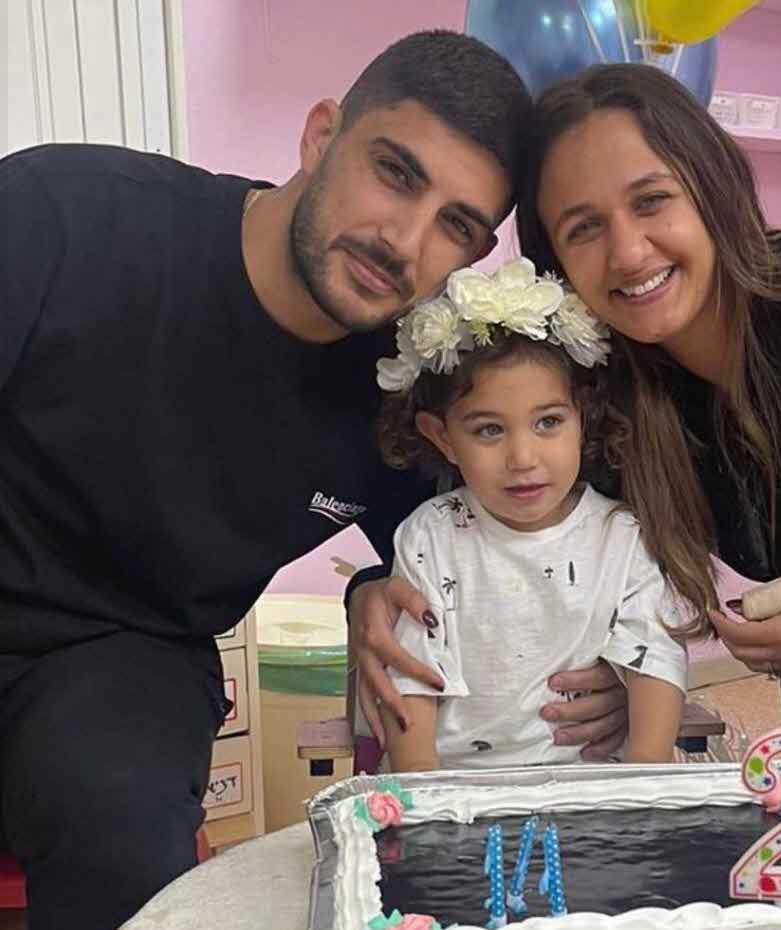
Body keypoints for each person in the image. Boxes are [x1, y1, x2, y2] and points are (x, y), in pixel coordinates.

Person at [0, 30, 534, 930]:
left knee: (120, 824)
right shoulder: (64, 212)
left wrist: (372, 589)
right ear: (322, 135)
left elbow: (449, 547)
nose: (404, 241)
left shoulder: (403, 390)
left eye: (456, 225)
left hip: (124, 654)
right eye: (395, 173)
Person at [514, 63, 781, 856]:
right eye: (583, 229)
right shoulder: (620, 411)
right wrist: (625, 669)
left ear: (711, 184)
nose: (628, 252)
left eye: (652, 200)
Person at [370, 260, 694, 772]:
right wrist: (421, 799)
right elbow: (412, 673)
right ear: (443, 437)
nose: (522, 458)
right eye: (489, 430)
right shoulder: (430, 535)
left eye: (547, 422)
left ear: (582, 418)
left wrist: (642, 786)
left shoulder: (622, 535)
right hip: (457, 790)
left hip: (587, 788)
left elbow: (653, 657)